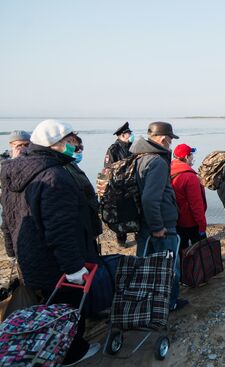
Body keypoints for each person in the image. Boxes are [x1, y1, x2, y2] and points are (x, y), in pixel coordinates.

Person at [0, 119, 101, 365]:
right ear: (54, 144)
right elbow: (61, 229)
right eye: (69, 142)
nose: (74, 148)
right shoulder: (54, 176)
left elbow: (9, 218)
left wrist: (13, 251)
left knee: (43, 308)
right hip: (56, 262)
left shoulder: (16, 170)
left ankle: (42, 349)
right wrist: (74, 268)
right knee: (66, 309)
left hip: (30, 256)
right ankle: (72, 352)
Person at [129, 121, 186, 311]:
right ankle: (169, 304)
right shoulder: (157, 162)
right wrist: (158, 227)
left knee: (145, 266)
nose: (170, 144)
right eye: (170, 140)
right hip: (160, 225)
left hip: (144, 222)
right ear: (163, 139)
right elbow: (150, 199)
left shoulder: (139, 158)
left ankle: (146, 303)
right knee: (169, 268)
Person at [171, 143, 207, 250]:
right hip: (190, 221)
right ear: (187, 157)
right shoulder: (189, 177)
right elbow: (196, 204)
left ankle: (182, 266)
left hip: (175, 219)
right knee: (200, 251)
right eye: (191, 155)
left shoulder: (168, 170)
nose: (192, 158)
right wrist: (202, 225)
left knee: (181, 249)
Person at [104, 121, 134, 246]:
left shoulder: (133, 147)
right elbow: (108, 169)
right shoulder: (113, 149)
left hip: (133, 185)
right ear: (122, 135)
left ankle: (137, 235)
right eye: (128, 133)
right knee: (121, 214)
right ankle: (121, 240)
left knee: (134, 212)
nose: (131, 135)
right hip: (119, 187)